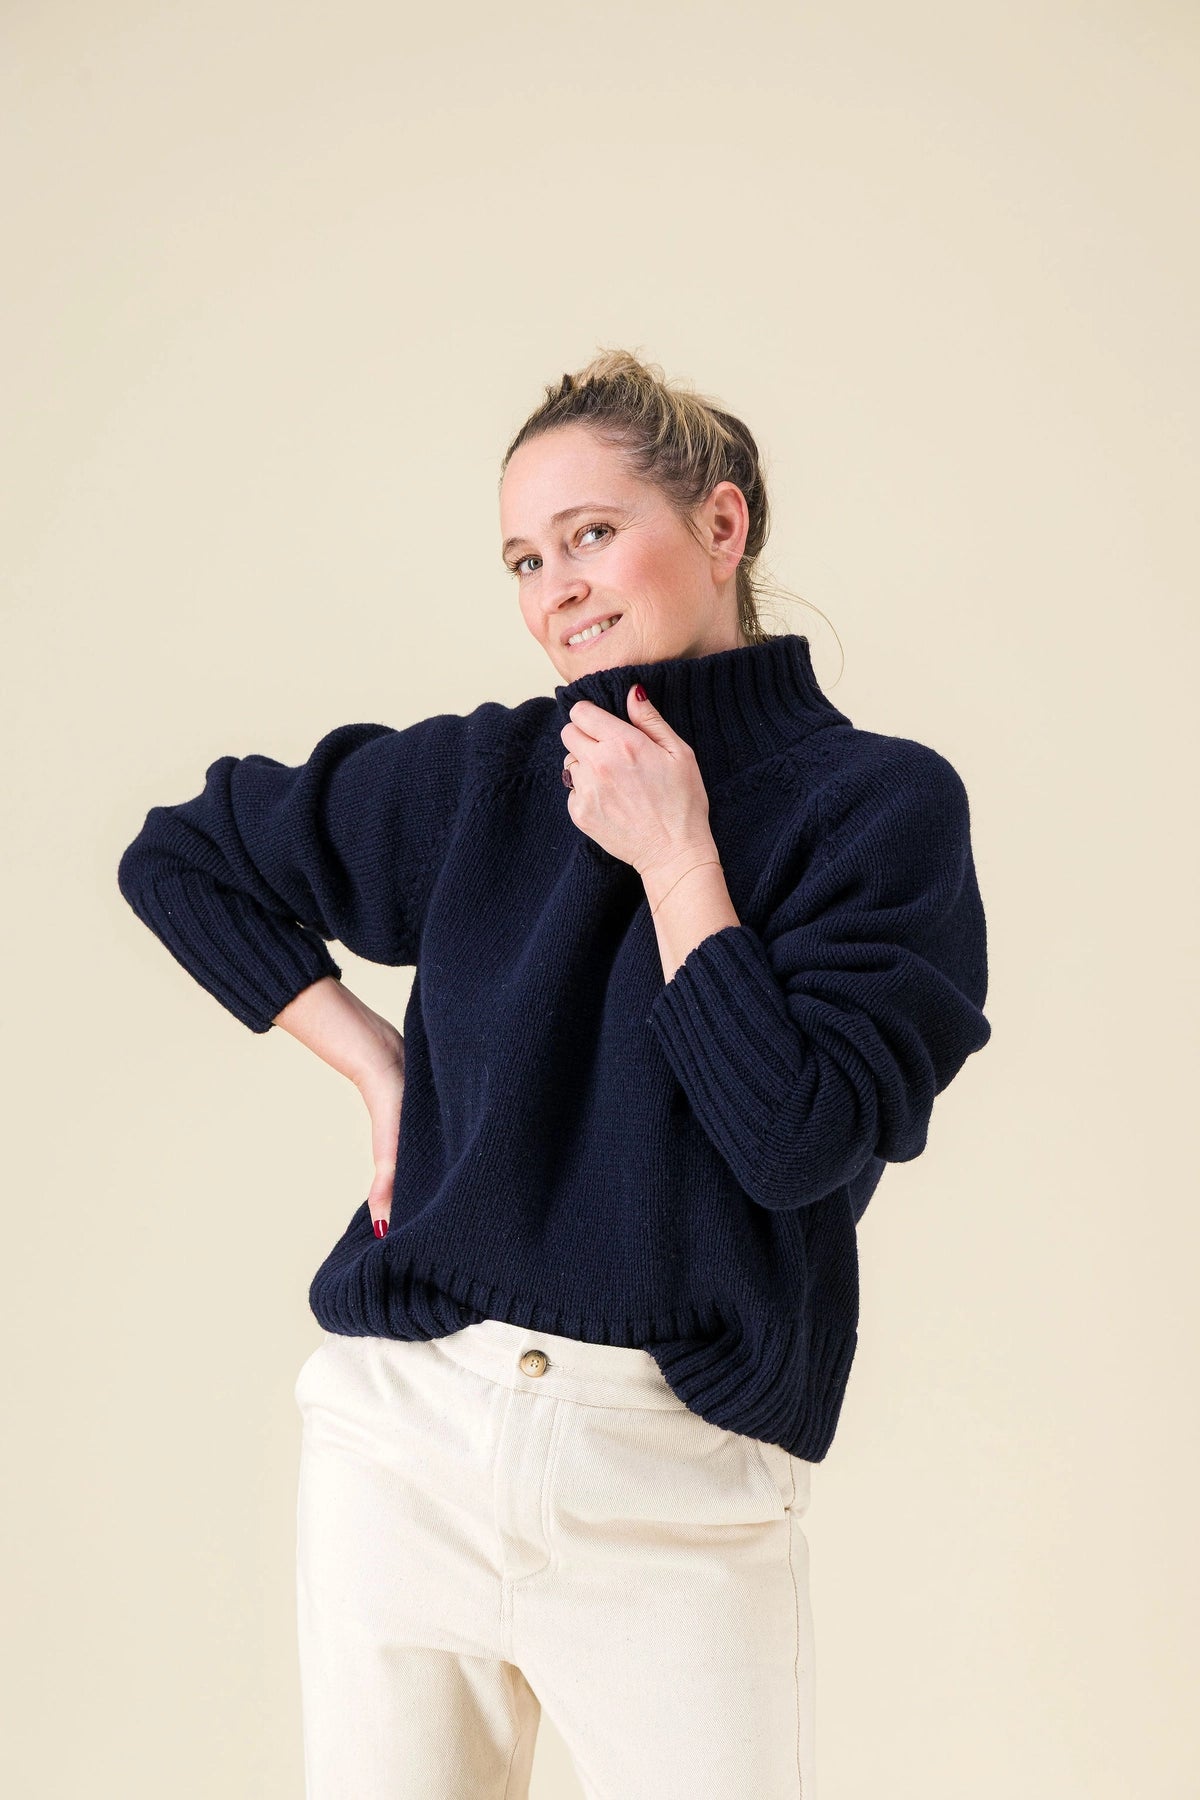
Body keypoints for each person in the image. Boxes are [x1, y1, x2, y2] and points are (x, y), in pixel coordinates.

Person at [116, 348, 992, 1799]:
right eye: (526, 559)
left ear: (721, 525)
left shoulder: (876, 807)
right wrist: (376, 1066)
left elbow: (796, 1139)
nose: (556, 591)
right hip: (406, 1447)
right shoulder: (488, 780)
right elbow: (183, 857)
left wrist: (678, 858)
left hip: (673, 1480)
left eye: (590, 534)